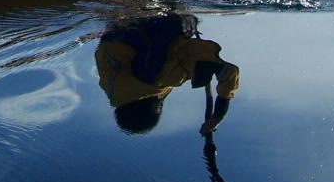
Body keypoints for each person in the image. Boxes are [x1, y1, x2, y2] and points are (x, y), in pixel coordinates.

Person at [94, 13, 240, 135]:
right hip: (120, 22)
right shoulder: (109, 84)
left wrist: (218, 115)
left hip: (162, 18)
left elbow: (227, 71)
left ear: (155, 108)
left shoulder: (168, 77)